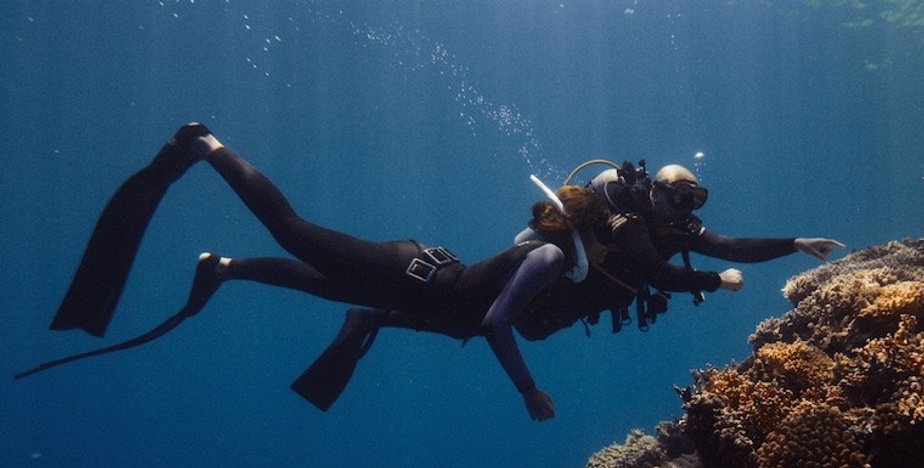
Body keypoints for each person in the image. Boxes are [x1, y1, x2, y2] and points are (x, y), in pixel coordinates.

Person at [16, 123, 580, 421]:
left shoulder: (552, 261)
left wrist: (376, 320)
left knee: (315, 282)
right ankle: (204, 143)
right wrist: (527, 390)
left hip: (407, 284)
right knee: (290, 230)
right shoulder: (552, 258)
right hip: (407, 270)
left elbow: (471, 318)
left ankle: (225, 269)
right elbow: (496, 324)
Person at [513, 161, 844, 339]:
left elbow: (732, 247)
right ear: (655, 194)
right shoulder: (629, 219)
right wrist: (716, 281)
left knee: (529, 329)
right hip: (556, 292)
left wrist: (795, 244)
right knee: (518, 320)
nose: (686, 207)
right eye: (680, 196)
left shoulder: (680, 228)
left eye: (695, 198)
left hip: (578, 303)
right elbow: (655, 272)